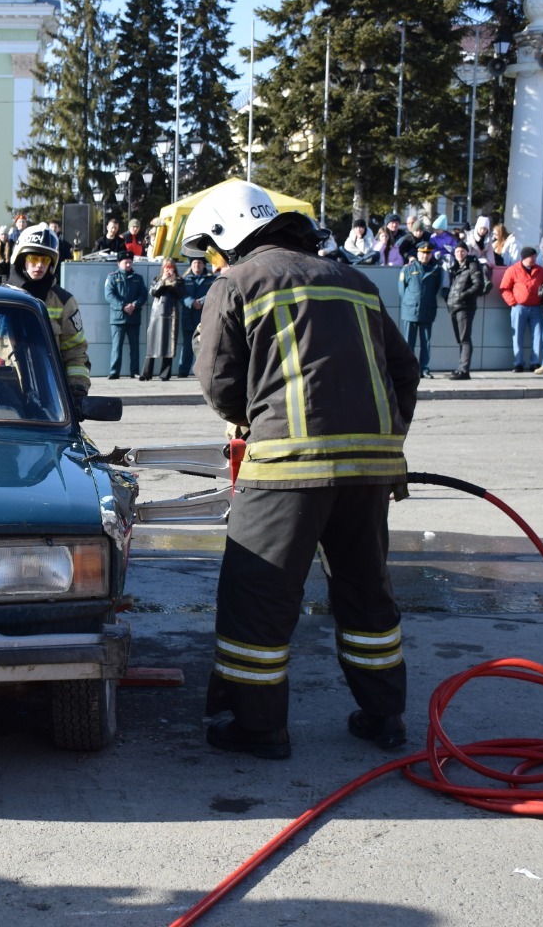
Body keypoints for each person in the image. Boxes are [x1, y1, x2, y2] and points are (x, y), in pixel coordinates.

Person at [184, 180, 420, 759]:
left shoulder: (238, 282)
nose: (213, 260)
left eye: (212, 248)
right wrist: (382, 441)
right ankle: (384, 716)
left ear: (229, 234)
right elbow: (404, 371)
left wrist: (251, 420)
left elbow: (217, 379)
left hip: (286, 466)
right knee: (366, 591)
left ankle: (259, 727)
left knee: (258, 593)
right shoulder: (355, 280)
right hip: (371, 470)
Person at [7, 223, 90, 400]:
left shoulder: (64, 301)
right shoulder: (1, 297)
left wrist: (77, 388)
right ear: (21, 258)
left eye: (45, 260)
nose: (39, 265)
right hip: (3, 390)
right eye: (33, 258)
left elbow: (75, 350)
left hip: (50, 393)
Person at [444, 242, 490, 380]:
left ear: (467, 252)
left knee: (465, 339)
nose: (460, 254)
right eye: (457, 251)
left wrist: (462, 295)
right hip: (454, 306)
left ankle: (464, 370)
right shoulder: (456, 267)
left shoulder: (472, 265)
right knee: (460, 339)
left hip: (464, 307)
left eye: (462, 251)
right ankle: (460, 369)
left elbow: (478, 285)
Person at [397, 242, 443, 377]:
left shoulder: (436, 270)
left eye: (428, 253)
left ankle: (424, 368)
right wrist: (411, 302)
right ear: (417, 253)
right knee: (408, 342)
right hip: (410, 310)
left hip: (427, 310)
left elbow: (436, 289)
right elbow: (402, 290)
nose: (425, 255)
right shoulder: (408, 269)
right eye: (423, 253)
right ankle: (409, 369)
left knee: (426, 342)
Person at [500, 246, 543, 372]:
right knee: (517, 336)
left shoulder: (540, 271)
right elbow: (504, 288)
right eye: (532, 257)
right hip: (519, 307)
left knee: (537, 336)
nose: (535, 259)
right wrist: (512, 302)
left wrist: (542, 300)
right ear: (525, 257)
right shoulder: (513, 270)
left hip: (536, 307)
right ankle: (518, 363)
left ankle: (535, 362)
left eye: (535, 256)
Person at [140, 258, 184, 381]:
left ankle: (165, 374)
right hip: (157, 315)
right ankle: (146, 373)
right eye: (166, 267)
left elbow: (181, 294)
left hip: (171, 315)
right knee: (152, 343)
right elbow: (153, 292)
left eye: (170, 267)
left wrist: (173, 282)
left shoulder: (179, 280)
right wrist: (163, 281)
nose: (168, 270)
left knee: (169, 344)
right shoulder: (157, 279)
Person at [104, 253, 146, 379]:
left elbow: (143, 295)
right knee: (116, 346)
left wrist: (134, 305)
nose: (128, 265)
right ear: (118, 263)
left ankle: (135, 371)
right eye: (125, 262)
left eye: (130, 262)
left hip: (133, 317)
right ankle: (114, 372)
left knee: (134, 347)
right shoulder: (112, 277)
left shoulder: (138, 278)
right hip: (118, 318)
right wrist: (123, 306)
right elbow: (109, 295)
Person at [178, 255, 213, 377]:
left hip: (204, 317)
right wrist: (192, 302)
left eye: (199, 263)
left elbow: (213, 293)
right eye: (194, 263)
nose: (197, 265)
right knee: (187, 346)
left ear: (204, 265)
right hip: (188, 317)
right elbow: (180, 295)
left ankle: (203, 373)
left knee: (204, 346)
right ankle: (183, 372)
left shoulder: (212, 279)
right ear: (191, 266)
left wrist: (202, 301)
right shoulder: (184, 280)